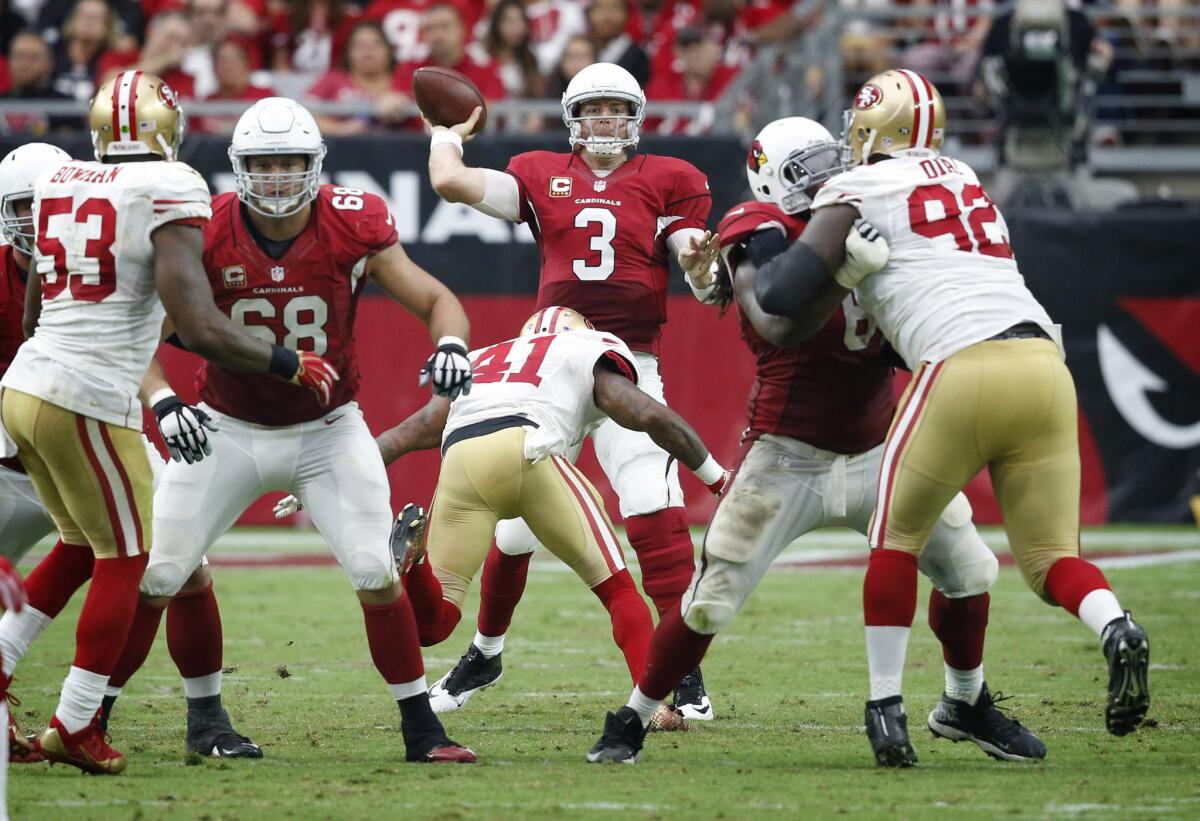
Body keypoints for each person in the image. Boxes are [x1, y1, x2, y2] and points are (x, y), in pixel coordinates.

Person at [585, 117, 1044, 765]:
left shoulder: (871, 215)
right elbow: (776, 321)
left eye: (835, 158)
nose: (831, 175)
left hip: (881, 445)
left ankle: (965, 701)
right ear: (774, 178)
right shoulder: (761, 227)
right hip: (787, 452)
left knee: (970, 569)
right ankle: (630, 718)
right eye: (809, 167)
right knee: (708, 602)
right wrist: (845, 270)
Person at [749, 68, 1150, 766]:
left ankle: (884, 706)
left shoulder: (859, 185)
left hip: (960, 366)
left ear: (878, 125)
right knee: (1052, 557)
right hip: (1045, 367)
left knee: (895, 538)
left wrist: (832, 269)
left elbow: (783, 294)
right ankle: (1113, 623)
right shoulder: (965, 176)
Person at [101, 96, 479, 765]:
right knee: (161, 571)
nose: (276, 176)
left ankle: (423, 729)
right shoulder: (202, 227)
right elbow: (137, 338)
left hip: (327, 429)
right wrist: (161, 400)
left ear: (316, 165)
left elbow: (436, 298)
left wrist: (451, 342)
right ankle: (111, 717)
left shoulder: (351, 222)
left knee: (372, 566)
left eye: (290, 163)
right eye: (263, 163)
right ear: (239, 167)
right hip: (225, 426)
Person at [0, 71, 338, 776]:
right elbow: (199, 323)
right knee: (128, 557)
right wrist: (285, 362)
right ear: (165, 127)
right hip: (87, 396)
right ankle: (76, 720)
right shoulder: (173, 183)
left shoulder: (60, 177)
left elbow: (34, 313)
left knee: (77, 547)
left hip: (26, 385)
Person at [425, 61, 725, 720]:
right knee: (512, 528)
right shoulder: (540, 171)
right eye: (593, 110)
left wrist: (707, 275)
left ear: (636, 116)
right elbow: (448, 180)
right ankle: (487, 648)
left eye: (616, 109)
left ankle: (684, 668)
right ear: (572, 118)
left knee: (648, 499)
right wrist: (444, 129)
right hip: (555, 357)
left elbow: (698, 264)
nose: (604, 122)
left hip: (628, 362)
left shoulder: (670, 179)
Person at [279, 306, 727, 728]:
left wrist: (329, 477)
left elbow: (409, 433)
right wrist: (716, 478)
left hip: (460, 460)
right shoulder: (585, 349)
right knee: (617, 589)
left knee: (435, 624)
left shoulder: (481, 359)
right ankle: (652, 709)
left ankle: (414, 571)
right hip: (524, 450)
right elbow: (648, 414)